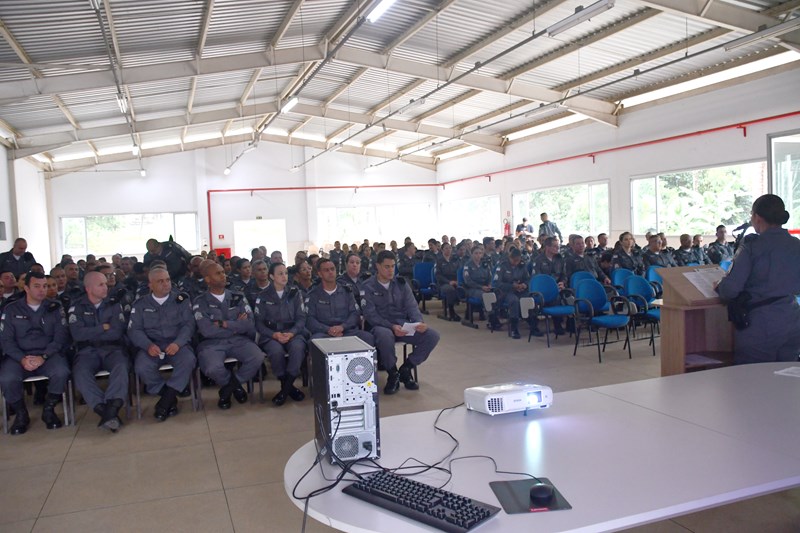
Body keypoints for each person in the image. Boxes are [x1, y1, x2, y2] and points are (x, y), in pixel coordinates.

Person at [716, 194, 800, 364]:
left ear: (756, 217)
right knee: (787, 380)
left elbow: (730, 290)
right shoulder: (796, 244)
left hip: (761, 324)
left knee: (754, 382)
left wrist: (719, 286)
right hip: (792, 318)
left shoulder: (752, 246)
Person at [0, 271, 70, 434]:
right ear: (26, 288)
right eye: (37, 286)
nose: (42, 290)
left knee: (61, 372)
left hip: (48, 355)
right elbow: (6, 341)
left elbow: (60, 338)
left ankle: (49, 409)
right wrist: (22, 359)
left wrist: (43, 357)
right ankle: (21, 414)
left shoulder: (55, 307)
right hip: (18, 357)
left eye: (44, 286)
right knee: (7, 378)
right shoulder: (11, 309)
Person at [362, 251, 439, 395]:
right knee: (384, 336)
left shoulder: (401, 284)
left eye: (392, 266)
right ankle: (392, 373)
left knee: (432, 336)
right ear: (377, 266)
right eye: (386, 267)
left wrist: (418, 323)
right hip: (381, 327)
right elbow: (370, 315)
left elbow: (412, 307)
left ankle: (406, 368)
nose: (391, 270)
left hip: (403, 326)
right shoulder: (367, 286)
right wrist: (391, 326)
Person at [128, 267, 196, 421]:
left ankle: (165, 401)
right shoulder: (140, 304)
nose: (166, 284)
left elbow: (188, 325)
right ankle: (169, 396)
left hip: (176, 344)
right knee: (141, 367)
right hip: (152, 346)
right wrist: (148, 345)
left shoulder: (181, 300)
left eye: (167, 280)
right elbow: (134, 330)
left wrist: (178, 343)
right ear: (150, 285)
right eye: (160, 281)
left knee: (188, 361)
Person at [193, 261, 262, 410]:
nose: (223, 275)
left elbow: (250, 324)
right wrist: (237, 325)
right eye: (218, 273)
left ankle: (228, 389)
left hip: (239, 340)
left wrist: (225, 324)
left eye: (223, 272)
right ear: (207, 279)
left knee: (257, 357)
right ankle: (235, 387)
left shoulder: (237, 296)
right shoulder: (201, 302)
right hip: (212, 344)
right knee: (211, 367)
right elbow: (207, 330)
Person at [68, 271, 129, 432]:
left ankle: (112, 406)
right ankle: (104, 410)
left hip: (112, 348)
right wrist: (102, 327)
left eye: (105, 283)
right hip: (87, 351)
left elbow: (117, 332)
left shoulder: (114, 304)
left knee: (121, 367)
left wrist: (91, 330)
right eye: (100, 284)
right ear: (88, 288)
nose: (106, 287)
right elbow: (77, 334)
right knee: (80, 372)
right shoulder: (77, 306)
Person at [254, 263, 307, 406]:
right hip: (271, 334)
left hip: (293, 333)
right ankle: (288, 386)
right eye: (280, 274)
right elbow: (258, 323)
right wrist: (274, 335)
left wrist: (292, 333)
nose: (284, 276)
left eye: (286, 273)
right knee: (275, 351)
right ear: (271, 276)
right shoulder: (263, 296)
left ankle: (285, 389)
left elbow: (301, 318)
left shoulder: (295, 293)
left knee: (297, 348)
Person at [305, 258, 374, 344]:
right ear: (320, 274)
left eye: (332, 269)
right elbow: (310, 319)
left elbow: (355, 314)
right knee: (313, 343)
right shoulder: (313, 295)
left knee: (367, 337)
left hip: (346, 331)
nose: (330, 272)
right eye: (326, 270)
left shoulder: (347, 291)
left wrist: (342, 327)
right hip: (323, 334)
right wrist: (328, 329)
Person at [493, 247, 530, 339]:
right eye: (514, 260)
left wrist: (524, 285)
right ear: (510, 257)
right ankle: (514, 328)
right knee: (514, 301)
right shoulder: (502, 265)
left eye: (518, 260)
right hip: (506, 292)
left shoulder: (522, 265)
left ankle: (532, 322)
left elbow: (528, 279)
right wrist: (512, 286)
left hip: (520, 290)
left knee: (529, 298)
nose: (516, 262)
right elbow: (497, 283)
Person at [463, 245, 494, 324]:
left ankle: (494, 314)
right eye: (476, 253)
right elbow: (468, 281)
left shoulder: (485, 264)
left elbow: (490, 277)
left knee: (496, 293)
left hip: (485, 287)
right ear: (472, 254)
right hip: (472, 289)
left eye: (480, 253)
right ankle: (492, 318)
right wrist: (481, 287)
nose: (478, 255)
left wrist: (489, 284)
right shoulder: (468, 265)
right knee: (485, 295)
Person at [434, 242, 461, 321]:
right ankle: (451, 311)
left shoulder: (455, 260)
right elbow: (438, 276)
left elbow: (459, 272)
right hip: (443, 283)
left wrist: (457, 281)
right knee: (450, 289)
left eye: (450, 248)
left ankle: (469, 312)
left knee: (463, 288)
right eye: (446, 248)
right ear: (442, 250)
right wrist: (449, 282)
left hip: (455, 281)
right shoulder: (439, 261)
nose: (448, 250)